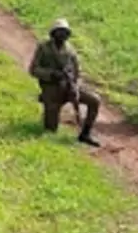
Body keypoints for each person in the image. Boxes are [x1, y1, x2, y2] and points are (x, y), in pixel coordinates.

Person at [28, 18, 101, 146]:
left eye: (65, 32)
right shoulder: (44, 48)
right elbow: (33, 69)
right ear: (53, 33)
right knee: (50, 130)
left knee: (95, 100)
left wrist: (75, 86)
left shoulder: (70, 51)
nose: (62, 35)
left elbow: (78, 71)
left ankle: (86, 133)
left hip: (68, 87)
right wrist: (52, 74)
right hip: (51, 90)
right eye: (59, 32)